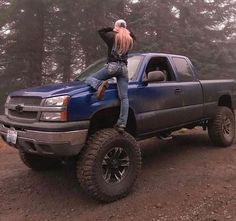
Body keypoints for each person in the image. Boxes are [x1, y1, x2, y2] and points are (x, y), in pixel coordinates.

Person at [85, 19, 135, 132]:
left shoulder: (112, 37)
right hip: (123, 69)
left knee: (89, 78)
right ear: (125, 27)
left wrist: (112, 29)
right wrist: (125, 30)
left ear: (116, 26)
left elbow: (100, 31)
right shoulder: (129, 40)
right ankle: (122, 124)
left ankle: (99, 84)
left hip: (112, 67)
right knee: (124, 97)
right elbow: (131, 35)